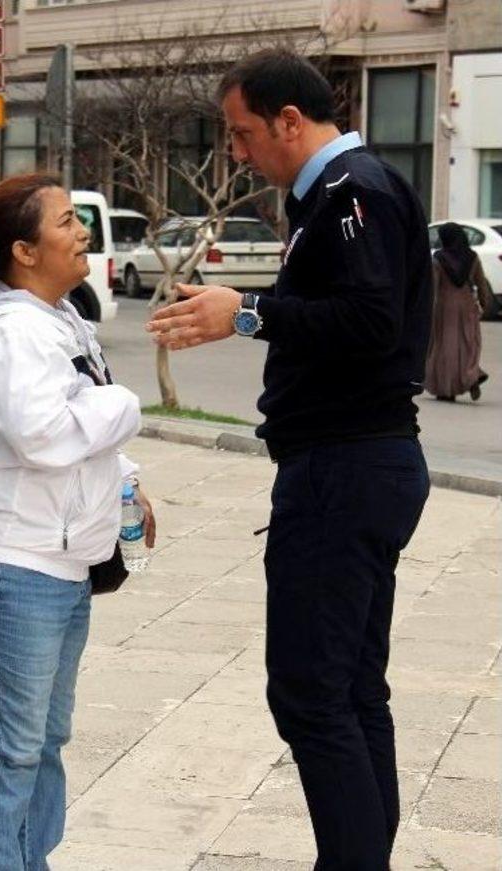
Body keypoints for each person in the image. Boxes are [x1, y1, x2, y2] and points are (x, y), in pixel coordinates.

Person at [147, 50, 431, 871]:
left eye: (242, 134)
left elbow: (369, 320)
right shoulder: (341, 194)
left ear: (289, 122)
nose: (237, 153)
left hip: (346, 466)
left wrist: (247, 315)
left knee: (310, 692)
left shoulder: (355, 194)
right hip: (358, 461)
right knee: (349, 688)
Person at [0, 173, 154, 871]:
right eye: (66, 221)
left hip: (58, 560)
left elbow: (78, 428)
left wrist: (126, 482)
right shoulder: (9, 333)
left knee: (44, 740)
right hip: (11, 562)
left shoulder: (58, 318)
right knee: (12, 747)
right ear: (26, 251)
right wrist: (124, 403)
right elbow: (47, 434)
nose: (82, 231)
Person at [424, 221, 489, 402]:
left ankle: (446, 389)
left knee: (445, 347)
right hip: (467, 305)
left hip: (444, 307)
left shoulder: (438, 259)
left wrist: (426, 310)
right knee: (469, 345)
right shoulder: (473, 257)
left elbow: (433, 288)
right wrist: (484, 304)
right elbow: (481, 285)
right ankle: (471, 376)